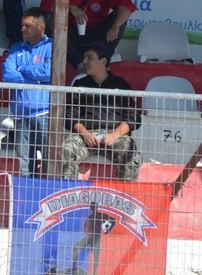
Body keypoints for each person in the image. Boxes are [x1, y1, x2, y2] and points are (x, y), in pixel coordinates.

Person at [61, 43, 142, 181]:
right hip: (86, 136)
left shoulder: (120, 85)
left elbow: (132, 117)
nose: (84, 61)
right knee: (65, 149)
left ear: (103, 61)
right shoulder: (80, 85)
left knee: (130, 153)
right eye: (84, 57)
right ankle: (68, 191)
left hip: (114, 136)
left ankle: (124, 193)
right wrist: (85, 134)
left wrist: (114, 135)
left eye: (90, 57)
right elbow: (70, 116)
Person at [2, 8, 52, 177]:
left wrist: (22, 69)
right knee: (25, 167)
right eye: (22, 25)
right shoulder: (16, 48)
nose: (22, 29)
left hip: (44, 114)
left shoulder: (52, 46)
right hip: (21, 115)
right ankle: (26, 194)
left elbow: (50, 72)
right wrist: (35, 79)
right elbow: (8, 75)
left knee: (49, 164)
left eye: (27, 26)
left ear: (41, 27)